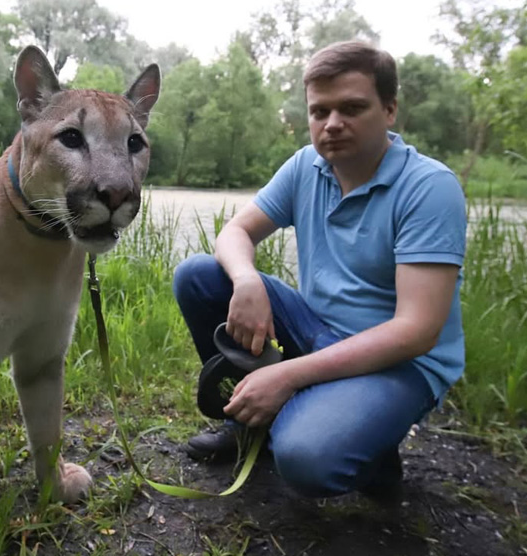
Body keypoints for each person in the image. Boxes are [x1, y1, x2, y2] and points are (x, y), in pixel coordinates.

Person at [172, 40, 467, 503]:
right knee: (198, 275)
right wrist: (248, 280)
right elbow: (236, 232)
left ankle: (370, 452)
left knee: (308, 458)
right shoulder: (306, 166)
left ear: (389, 110)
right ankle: (251, 425)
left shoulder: (429, 188)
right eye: (319, 111)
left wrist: (288, 377)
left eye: (352, 108)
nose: (332, 124)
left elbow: (417, 331)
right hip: (316, 327)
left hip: (399, 361)